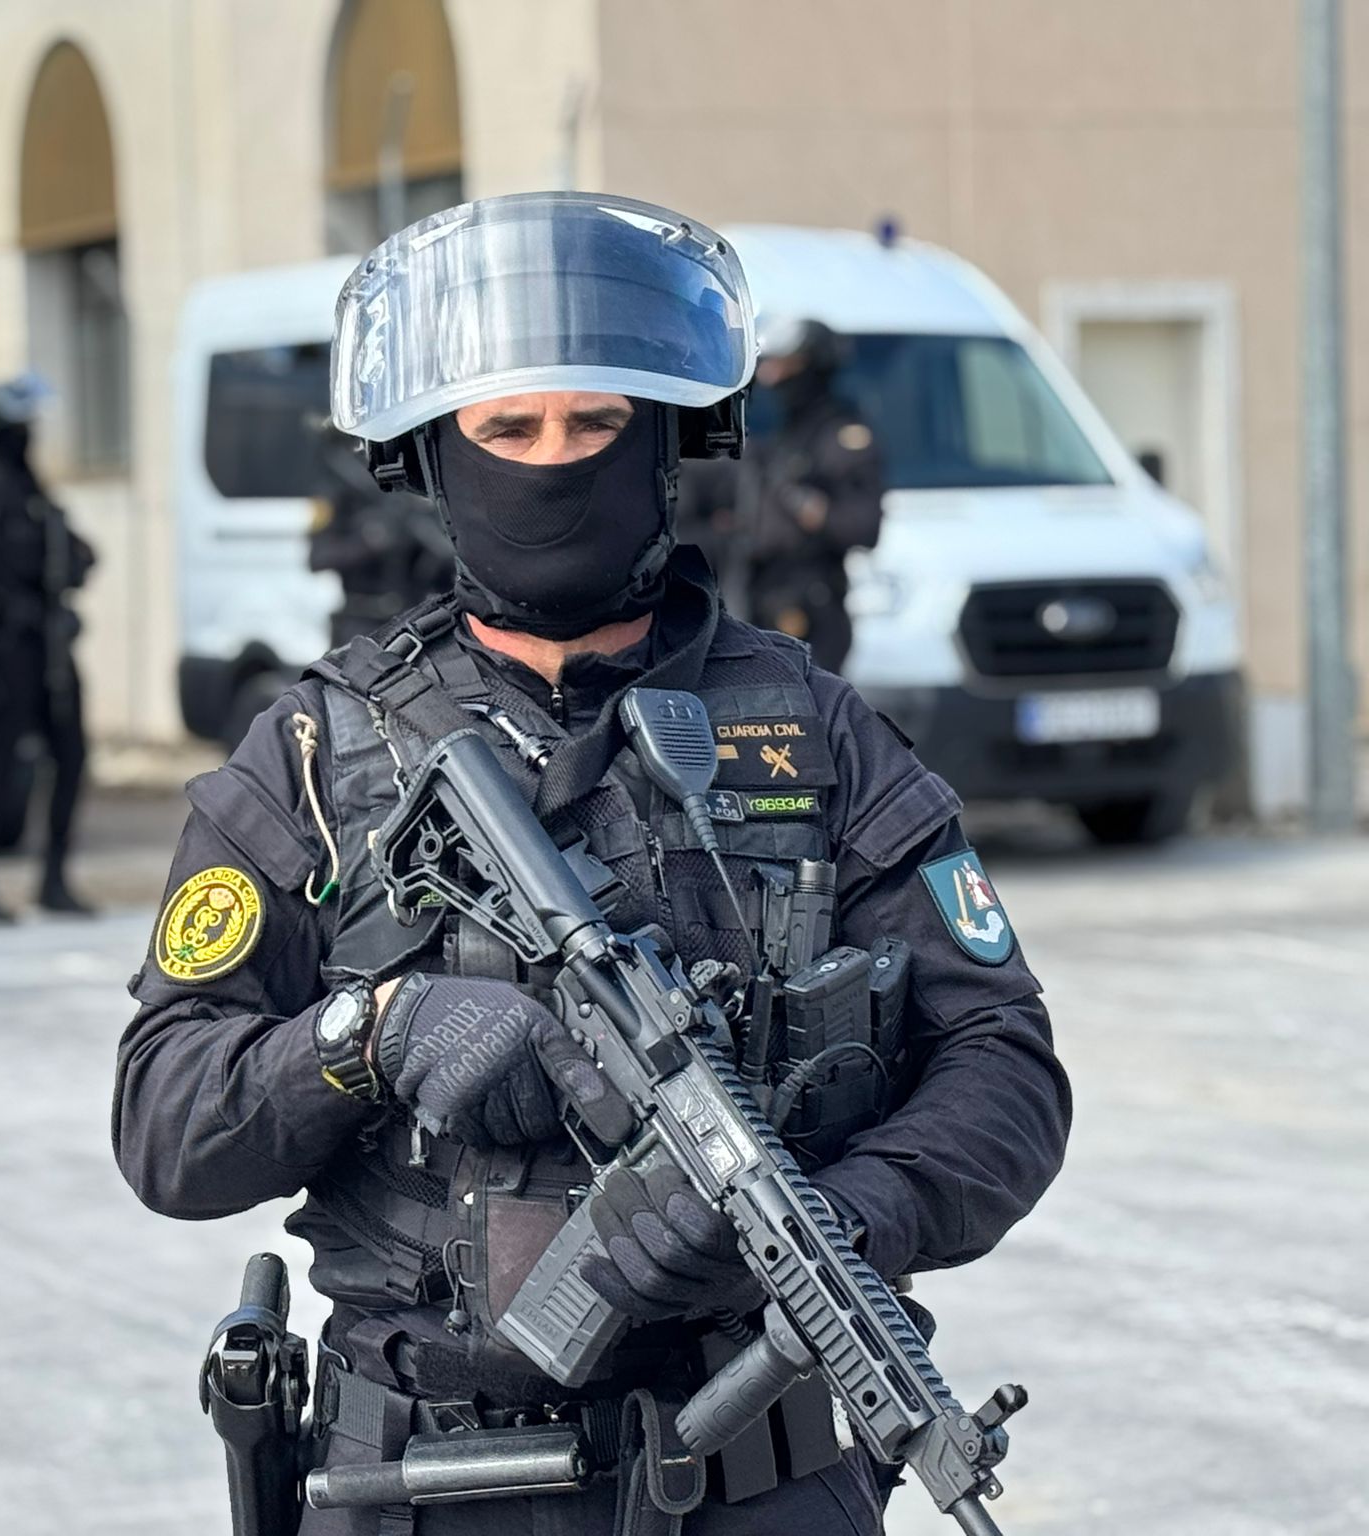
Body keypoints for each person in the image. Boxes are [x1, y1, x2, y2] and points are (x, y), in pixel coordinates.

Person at [112, 194, 1070, 1536]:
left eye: (594, 425)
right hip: (424, 1480)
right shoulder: (316, 758)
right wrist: (370, 1038)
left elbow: (1005, 1067)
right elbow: (165, 1122)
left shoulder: (815, 732)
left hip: (756, 1468)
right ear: (438, 459)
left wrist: (848, 1215)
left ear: (669, 440)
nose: (552, 464)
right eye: (510, 430)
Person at [0, 374, 97, 921]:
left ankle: (54, 878)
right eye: (22, 427)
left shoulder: (33, 491)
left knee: (71, 758)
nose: (30, 437)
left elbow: (70, 554)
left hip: (49, 647)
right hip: (2, 651)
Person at [680, 318, 884, 673]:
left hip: (809, 608)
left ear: (812, 368)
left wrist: (800, 504)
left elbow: (863, 525)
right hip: (748, 595)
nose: (772, 377)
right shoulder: (768, 434)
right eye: (767, 367)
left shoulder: (838, 438)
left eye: (784, 366)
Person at [307, 422, 454, 647]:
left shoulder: (409, 489)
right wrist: (370, 541)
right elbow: (318, 558)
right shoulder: (340, 493)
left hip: (412, 621)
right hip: (360, 624)